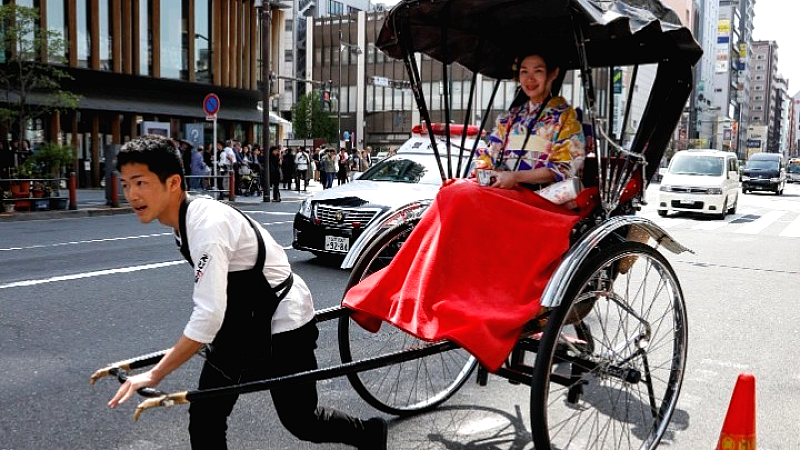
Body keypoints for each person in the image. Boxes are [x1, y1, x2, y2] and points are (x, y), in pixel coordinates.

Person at [109, 135, 387, 450]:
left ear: (172, 182)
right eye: (126, 184)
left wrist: (156, 374)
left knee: (301, 420)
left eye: (140, 183)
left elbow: (208, 315)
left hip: (283, 318)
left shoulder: (205, 226)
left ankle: (369, 434)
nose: (131, 194)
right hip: (242, 319)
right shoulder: (181, 222)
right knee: (205, 416)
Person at [342, 51, 586, 372]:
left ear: (553, 74)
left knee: (461, 196)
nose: (530, 78)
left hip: (540, 200)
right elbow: (486, 154)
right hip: (504, 193)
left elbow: (564, 167)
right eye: (524, 71)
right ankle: (423, 284)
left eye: (538, 71)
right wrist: (488, 172)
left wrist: (515, 178)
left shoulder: (565, 117)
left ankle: (449, 293)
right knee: (454, 191)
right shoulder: (509, 118)